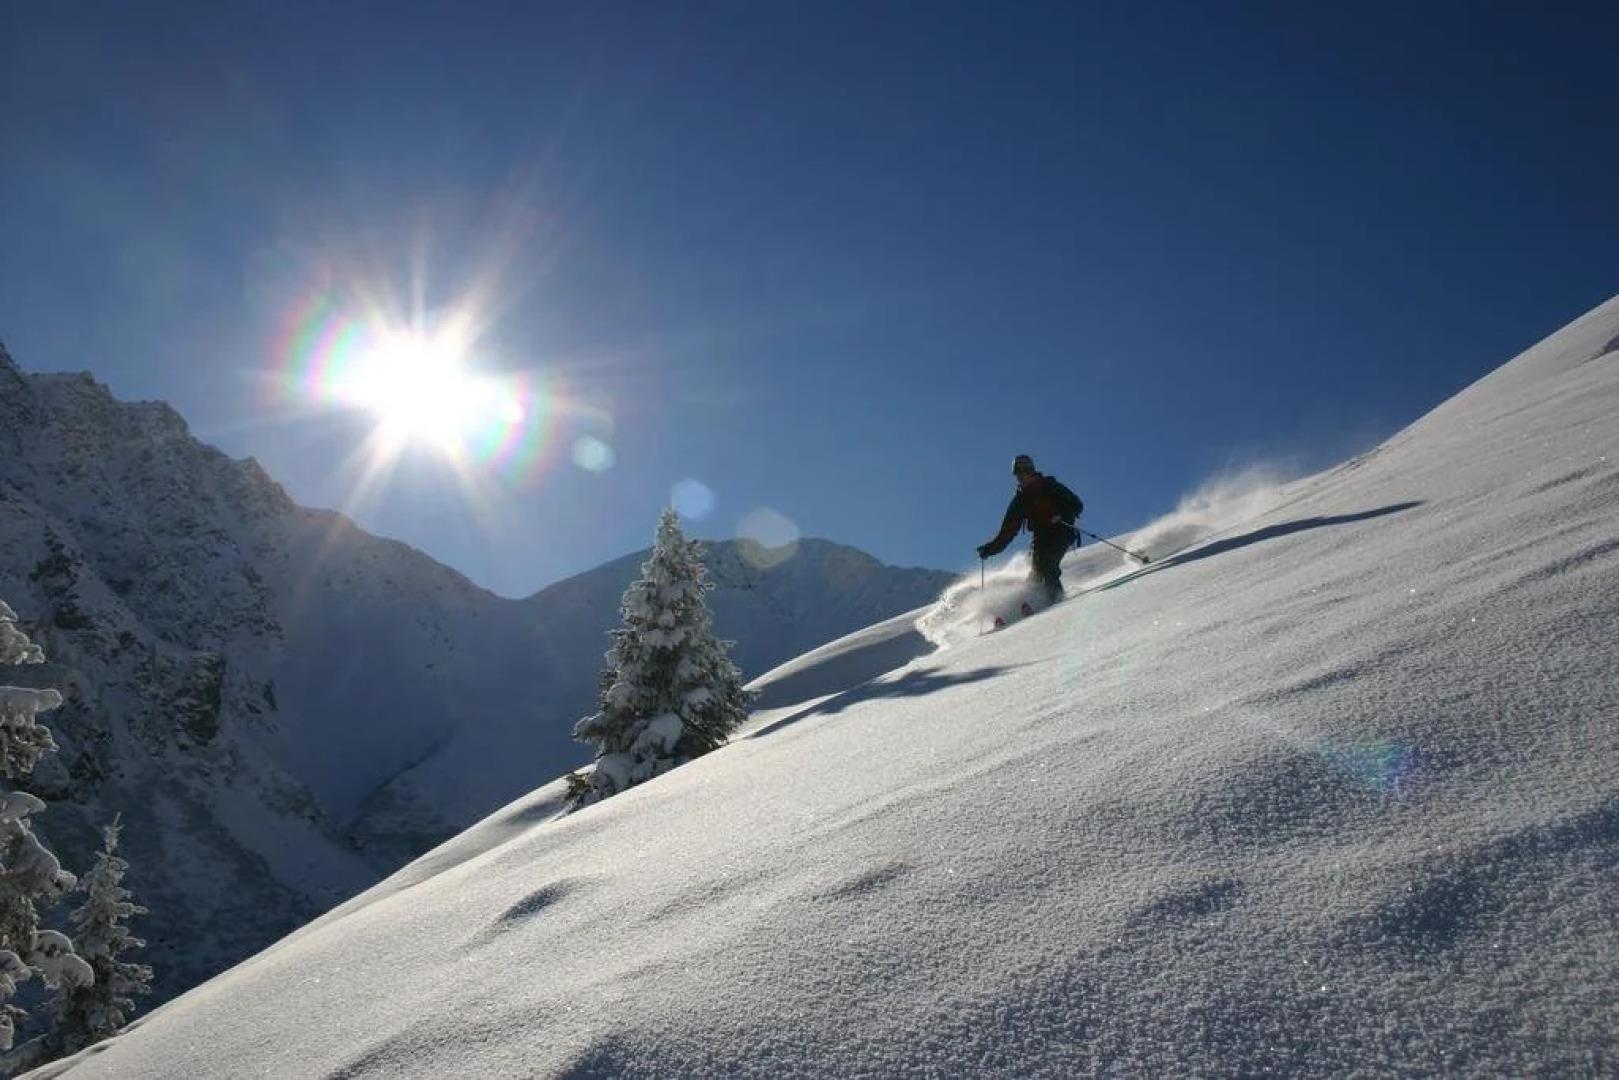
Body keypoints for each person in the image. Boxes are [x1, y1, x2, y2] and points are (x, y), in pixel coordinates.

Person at [976, 454, 1083, 604]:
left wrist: (1062, 515)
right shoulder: (1020, 500)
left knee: (1047, 566)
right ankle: (1028, 605)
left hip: (1061, 532)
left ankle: (1057, 602)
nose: (1019, 478)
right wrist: (990, 549)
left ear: (1030, 471)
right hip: (1040, 539)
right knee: (1034, 576)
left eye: (1022, 473)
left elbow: (1077, 504)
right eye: (1017, 474)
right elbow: (1008, 530)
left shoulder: (1049, 486)